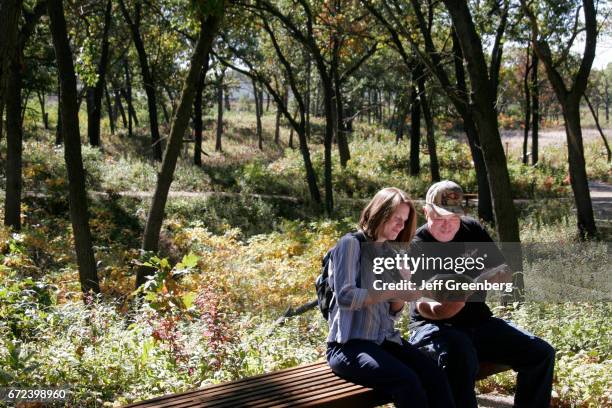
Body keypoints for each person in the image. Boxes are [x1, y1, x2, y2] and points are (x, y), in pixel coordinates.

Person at [409, 180, 556, 408]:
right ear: (426, 211)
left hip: (478, 323)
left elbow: (503, 269)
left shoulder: (472, 229)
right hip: (435, 329)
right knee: (461, 357)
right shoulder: (418, 245)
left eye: (453, 218)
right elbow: (421, 303)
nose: (447, 225)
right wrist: (444, 309)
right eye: (439, 218)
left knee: (541, 353)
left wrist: (499, 276)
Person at [326, 187, 455, 408]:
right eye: (397, 219)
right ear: (379, 213)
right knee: (407, 381)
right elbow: (345, 297)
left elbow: (393, 312)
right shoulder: (350, 244)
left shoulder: (390, 253)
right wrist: (392, 289)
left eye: (405, 221)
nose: (401, 225)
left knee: (435, 374)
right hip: (348, 346)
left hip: (384, 341)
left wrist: (406, 291)